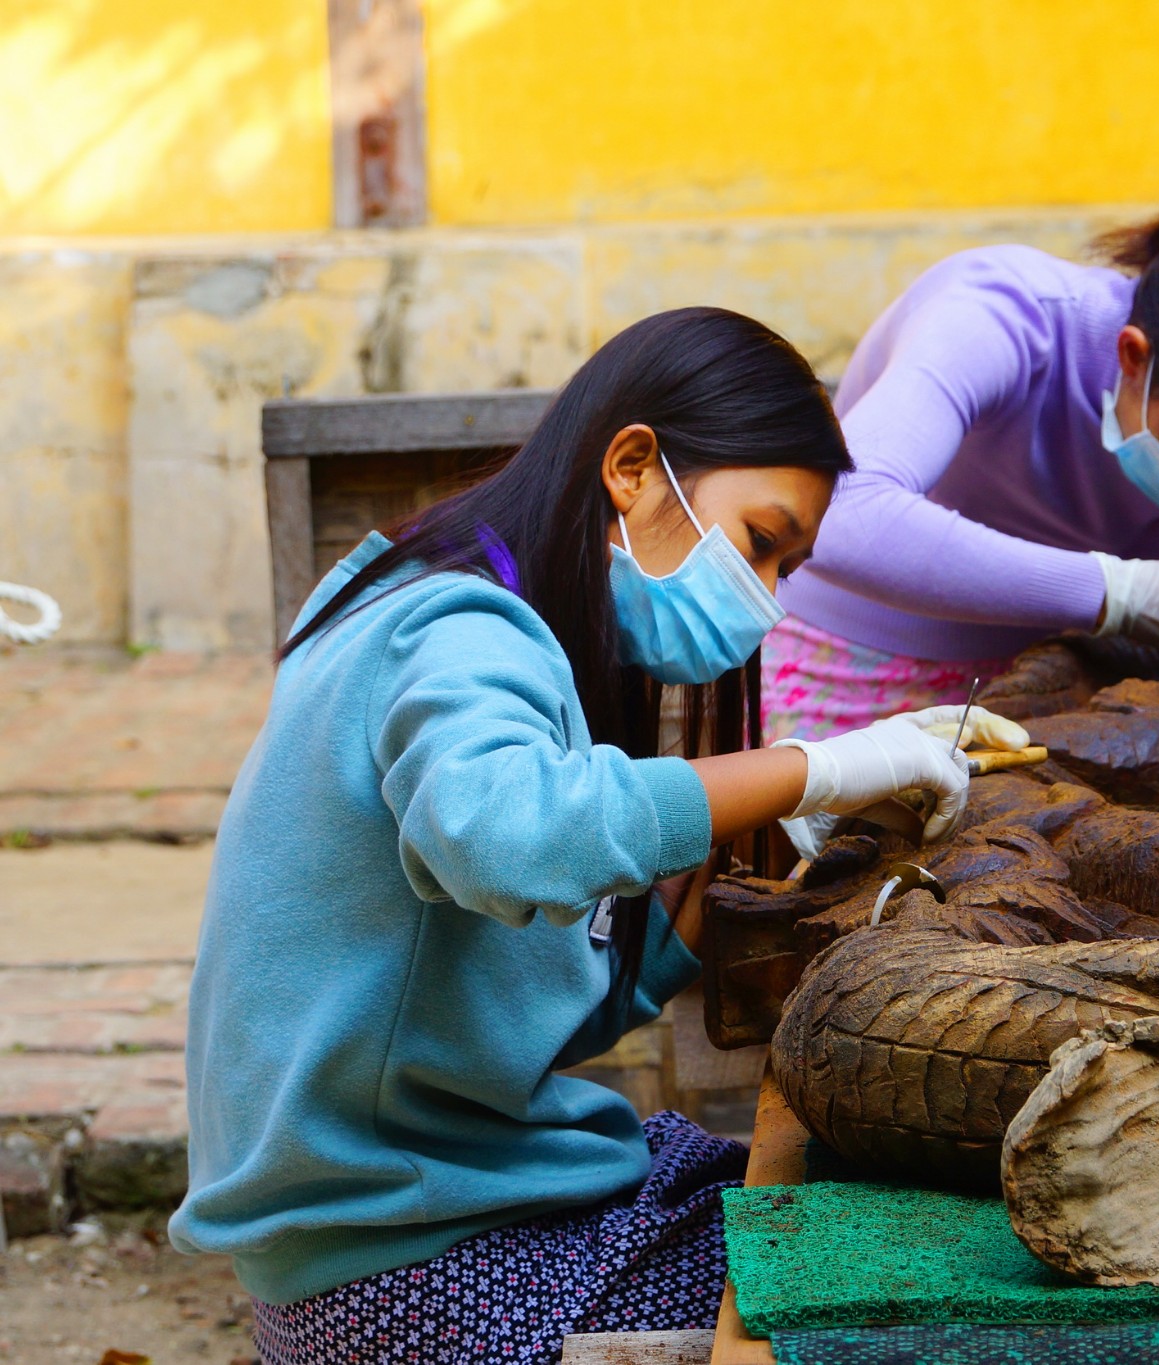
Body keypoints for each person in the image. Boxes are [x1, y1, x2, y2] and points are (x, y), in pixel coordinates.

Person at [168, 308, 1017, 1363]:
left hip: (407, 1223)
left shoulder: (439, 603)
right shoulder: (456, 625)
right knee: (909, 1261)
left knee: (804, 1184)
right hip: (413, 1275)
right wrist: (825, 761)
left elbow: (534, 999)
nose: (765, 599)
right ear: (631, 467)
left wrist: (787, 827)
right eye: (761, 544)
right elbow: (512, 836)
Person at [763, 179, 1159, 741]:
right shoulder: (1002, 311)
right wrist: (1121, 592)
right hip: (855, 667)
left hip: (1067, 694)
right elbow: (838, 514)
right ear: (1134, 357)